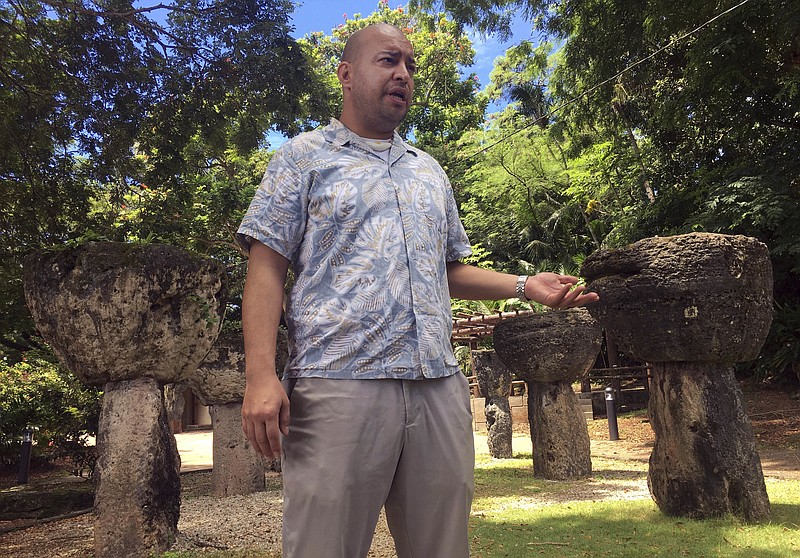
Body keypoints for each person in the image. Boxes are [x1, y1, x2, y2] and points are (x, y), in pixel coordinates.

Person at [236, 22, 599, 558]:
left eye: (409, 64)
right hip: (337, 386)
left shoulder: (429, 172)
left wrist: (526, 286)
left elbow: (446, 271)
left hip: (437, 385)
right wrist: (261, 376)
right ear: (346, 74)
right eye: (387, 60)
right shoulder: (301, 158)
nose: (403, 73)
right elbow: (266, 270)